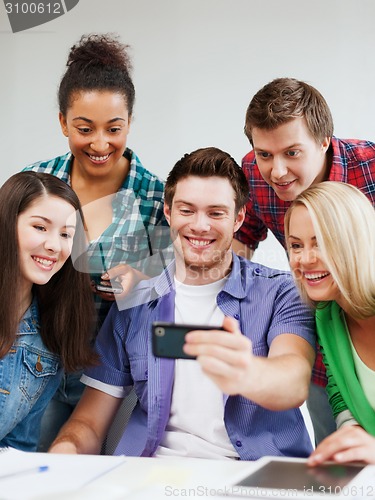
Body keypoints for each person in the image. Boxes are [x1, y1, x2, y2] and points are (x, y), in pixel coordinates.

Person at [48, 147, 316, 460]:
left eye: (216, 213)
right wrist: (64, 453)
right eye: (187, 210)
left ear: (239, 217)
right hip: (152, 477)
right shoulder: (135, 299)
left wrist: (247, 372)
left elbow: (293, 381)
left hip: (253, 477)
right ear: (168, 212)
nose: (200, 226)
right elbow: (89, 423)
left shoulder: (281, 292)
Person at [23, 33, 171, 450]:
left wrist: (137, 273)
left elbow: (173, 271)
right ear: (63, 123)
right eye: (84, 129)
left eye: (114, 128)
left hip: (113, 376)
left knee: (108, 477)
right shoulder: (37, 184)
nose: (100, 144)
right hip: (40, 361)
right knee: (33, 472)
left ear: (130, 123)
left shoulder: (156, 195)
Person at [232, 77, 375, 444]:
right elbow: (238, 246)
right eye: (265, 154)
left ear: (325, 140)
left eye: (292, 153)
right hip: (332, 346)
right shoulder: (255, 175)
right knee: (342, 452)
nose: (277, 171)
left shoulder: (370, 167)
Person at [0, 171, 96, 451]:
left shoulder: (49, 339)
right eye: (40, 227)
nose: (55, 245)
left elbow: (17, 448)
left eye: (66, 234)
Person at [284, 181, 375, 465]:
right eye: (296, 245)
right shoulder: (327, 315)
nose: (305, 259)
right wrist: (352, 437)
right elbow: (342, 397)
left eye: (321, 243)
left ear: (355, 242)